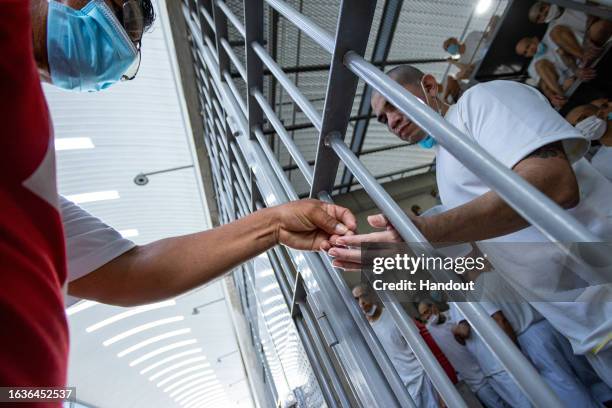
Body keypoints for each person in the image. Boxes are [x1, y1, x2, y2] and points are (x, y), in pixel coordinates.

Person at [1, 0, 359, 396]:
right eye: (121, 15)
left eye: (126, 44)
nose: (115, 45)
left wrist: (274, 223)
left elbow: (134, 271)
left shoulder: (30, 189)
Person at [325, 65, 612, 388]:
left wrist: (429, 230)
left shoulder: (482, 101)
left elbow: (555, 184)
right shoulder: (444, 171)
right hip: (587, 329)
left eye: (392, 104)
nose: (390, 120)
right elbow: (497, 245)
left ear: (430, 86)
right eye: (382, 118)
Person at [352, 284, 441, 408]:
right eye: (357, 299)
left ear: (373, 295)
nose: (362, 302)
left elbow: (423, 350)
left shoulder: (395, 316)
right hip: (405, 392)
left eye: (364, 296)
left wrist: (441, 389)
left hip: (424, 381)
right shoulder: (367, 333)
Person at [418, 300, 508, 408]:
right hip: (477, 383)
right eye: (423, 315)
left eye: (427, 311)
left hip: (491, 369)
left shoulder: (452, 315)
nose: (427, 316)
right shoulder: (430, 330)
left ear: (434, 306)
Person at [447, 303, 533, 408]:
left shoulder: (457, 300)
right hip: (490, 366)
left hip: (497, 363)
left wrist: (455, 330)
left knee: (525, 402)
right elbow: (463, 341)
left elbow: (465, 331)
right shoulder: (452, 305)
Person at [528, 1, 612, 64]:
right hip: (590, 47)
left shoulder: (569, 2)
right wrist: (576, 70)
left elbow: (591, 6)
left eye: (542, 9)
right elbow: (563, 54)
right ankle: (585, 58)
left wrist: (587, 37)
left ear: (547, 3)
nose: (543, 14)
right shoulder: (552, 31)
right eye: (539, 17)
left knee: (601, 27)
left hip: (603, 25)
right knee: (555, 32)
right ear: (539, 22)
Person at [567, 103, 612, 182]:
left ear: (601, 113)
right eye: (574, 126)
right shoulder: (599, 163)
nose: (580, 126)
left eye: (582, 118)